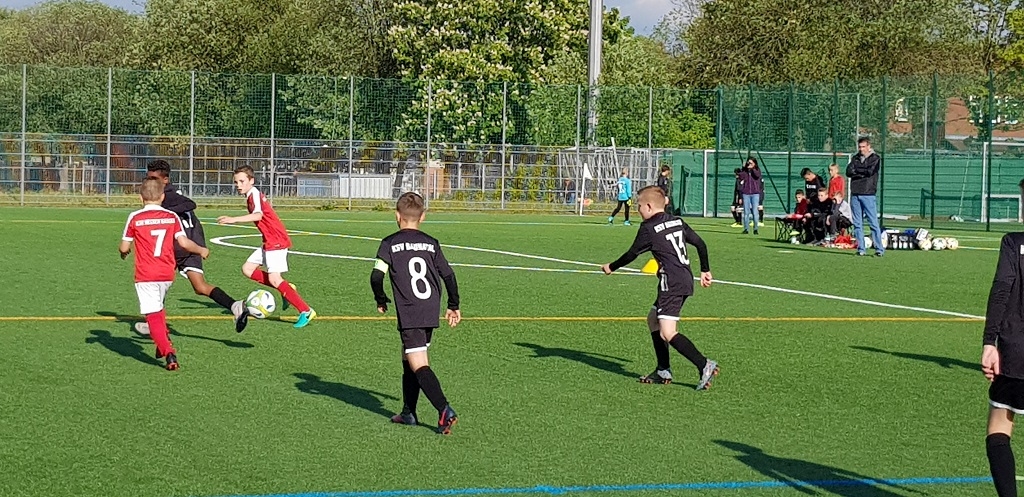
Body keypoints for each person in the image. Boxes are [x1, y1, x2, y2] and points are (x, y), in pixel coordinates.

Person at [601, 186, 719, 391]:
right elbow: (700, 244)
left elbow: (632, 254)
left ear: (648, 206)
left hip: (670, 283)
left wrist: (611, 267)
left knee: (667, 332)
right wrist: (705, 270)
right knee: (652, 319)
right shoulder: (677, 221)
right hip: (684, 279)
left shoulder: (648, 228)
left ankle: (704, 364)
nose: (638, 210)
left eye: (639, 206)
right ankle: (663, 369)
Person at [371, 192, 462, 435]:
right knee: (408, 357)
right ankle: (408, 412)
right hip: (430, 309)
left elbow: (376, 276)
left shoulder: (389, 243)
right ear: (423, 217)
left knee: (419, 364)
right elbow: (448, 275)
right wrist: (453, 305)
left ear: (397, 215)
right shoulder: (431, 243)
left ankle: (444, 409)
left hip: (410, 312)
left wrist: (380, 298)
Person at [144, 160, 248, 333]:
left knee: (157, 282)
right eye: (148, 178)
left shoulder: (167, 195)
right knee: (199, 287)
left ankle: (153, 324)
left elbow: (190, 204)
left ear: (165, 180)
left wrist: (166, 212)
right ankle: (235, 306)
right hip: (191, 243)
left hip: (182, 245)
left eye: (154, 178)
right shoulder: (164, 194)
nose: (150, 182)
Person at [119, 178, 210, 370]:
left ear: (140, 198)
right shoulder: (171, 216)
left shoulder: (135, 217)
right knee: (158, 309)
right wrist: (201, 249)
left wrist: (124, 253)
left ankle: (168, 352)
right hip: (167, 273)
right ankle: (161, 343)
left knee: (152, 314)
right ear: (162, 197)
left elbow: (124, 246)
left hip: (146, 274)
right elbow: (184, 243)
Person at [217, 166, 316, 328]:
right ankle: (287, 288)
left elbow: (258, 215)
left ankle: (305, 310)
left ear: (251, 181)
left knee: (274, 279)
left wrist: (234, 219)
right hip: (269, 240)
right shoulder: (250, 196)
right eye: (236, 182)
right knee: (248, 269)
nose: (238, 185)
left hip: (276, 240)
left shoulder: (254, 195)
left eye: (242, 181)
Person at [982, 195, 1024, 496]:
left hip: (1016, 350)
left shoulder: (1013, 243)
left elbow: (1001, 290)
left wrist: (989, 342)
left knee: (998, 429)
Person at [846, 137, 883, 256]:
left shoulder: (875, 158)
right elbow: (849, 172)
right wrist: (861, 172)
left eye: (863, 147)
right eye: (860, 147)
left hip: (868, 194)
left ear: (868, 146)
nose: (861, 149)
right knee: (857, 223)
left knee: (873, 222)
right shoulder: (855, 158)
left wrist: (857, 171)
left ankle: (879, 249)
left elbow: (870, 172)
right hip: (855, 193)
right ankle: (861, 249)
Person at [739, 157, 762, 235]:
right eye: (748, 163)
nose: (749, 164)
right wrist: (743, 168)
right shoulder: (745, 171)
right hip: (746, 193)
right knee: (746, 212)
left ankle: (755, 229)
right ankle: (746, 228)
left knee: (755, 212)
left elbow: (757, 175)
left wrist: (752, 169)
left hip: (755, 194)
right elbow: (741, 177)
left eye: (751, 163)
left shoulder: (757, 170)